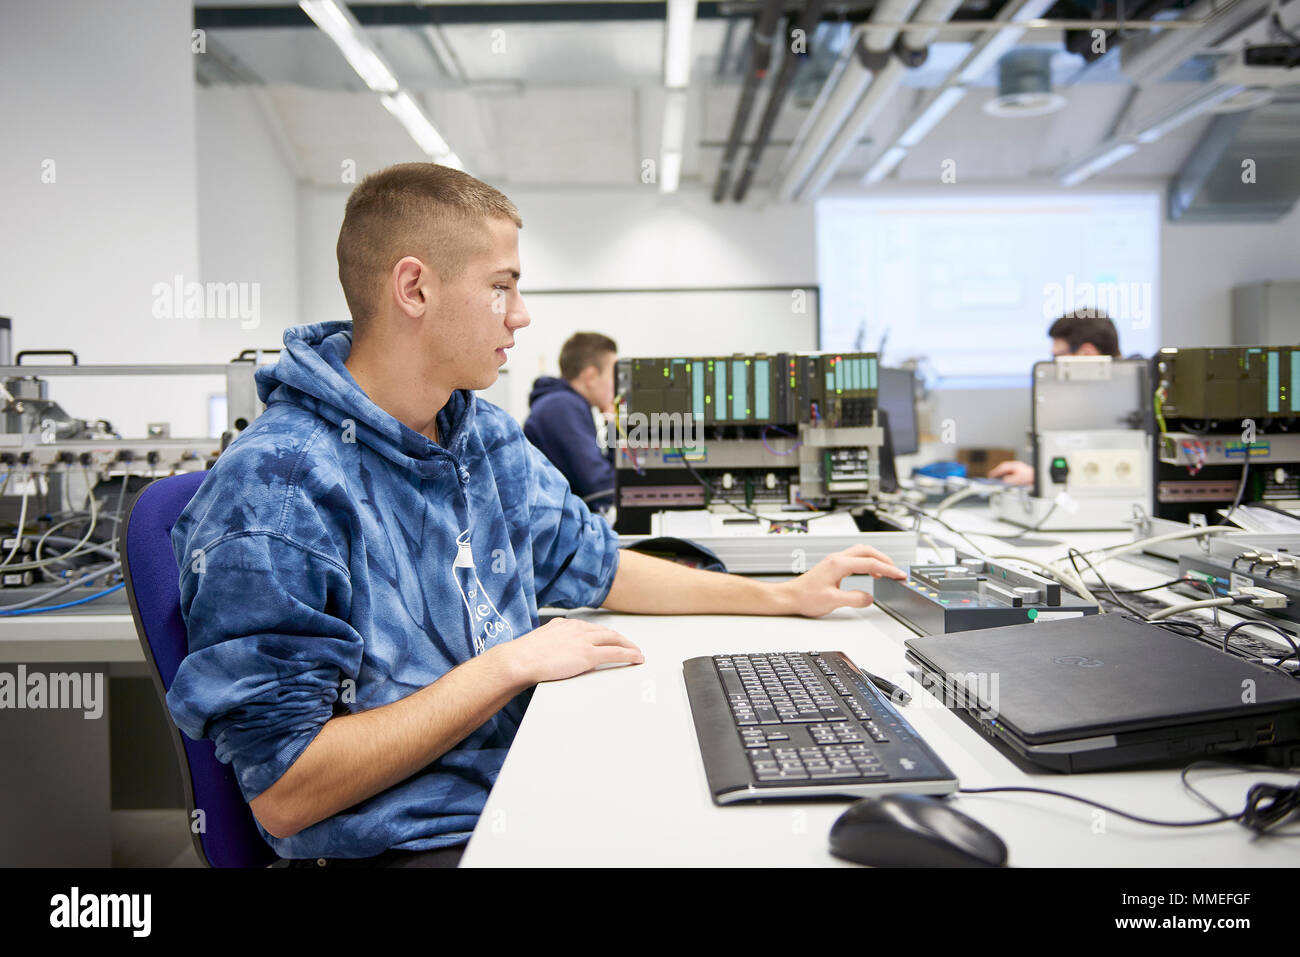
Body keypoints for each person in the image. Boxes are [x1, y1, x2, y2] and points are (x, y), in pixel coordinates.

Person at [165, 162, 906, 867]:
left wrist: (783, 597)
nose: (520, 317)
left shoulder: (479, 436)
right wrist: (511, 664)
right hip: (416, 840)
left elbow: (603, 564)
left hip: (523, 775)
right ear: (414, 288)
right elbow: (287, 793)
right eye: (501, 287)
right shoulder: (278, 488)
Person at [988, 312, 1122, 487]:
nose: (1054, 365)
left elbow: (1112, 472)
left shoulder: (1133, 398)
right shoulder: (1094, 397)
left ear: (1086, 353)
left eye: (1057, 357)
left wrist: (1039, 476)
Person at [524, 333, 617, 512]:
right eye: (614, 376)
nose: (618, 386)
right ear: (591, 377)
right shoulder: (562, 406)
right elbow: (602, 487)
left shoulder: (562, 403)